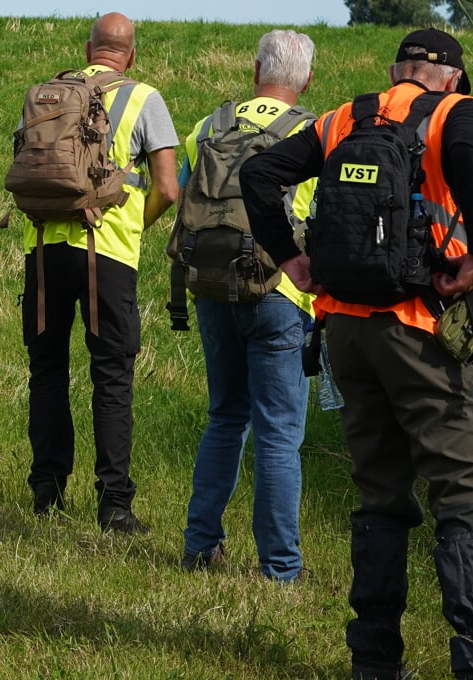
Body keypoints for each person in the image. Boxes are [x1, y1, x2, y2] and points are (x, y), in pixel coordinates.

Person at [242, 29, 473, 680]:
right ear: (451, 75)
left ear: (396, 70)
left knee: (381, 497)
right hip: (417, 326)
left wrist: (291, 259)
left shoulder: (343, 119)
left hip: (344, 334)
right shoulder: (454, 113)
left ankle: (375, 665)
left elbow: (259, 173)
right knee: (463, 496)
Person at [21, 12, 179, 532]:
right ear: (130, 54)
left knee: (47, 372)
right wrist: (136, 228)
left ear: (88, 49)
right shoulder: (144, 98)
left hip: (42, 246)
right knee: (111, 377)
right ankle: (114, 504)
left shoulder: (46, 93)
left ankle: (46, 491)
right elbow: (167, 187)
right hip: (106, 253)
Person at [176, 29, 317, 582]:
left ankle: (199, 545)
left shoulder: (209, 126)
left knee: (225, 416)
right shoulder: (313, 132)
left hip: (211, 285)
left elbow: (186, 199)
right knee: (278, 432)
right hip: (281, 291)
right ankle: (280, 568)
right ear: (306, 79)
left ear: (256, 70)